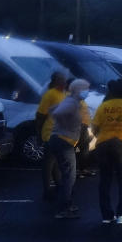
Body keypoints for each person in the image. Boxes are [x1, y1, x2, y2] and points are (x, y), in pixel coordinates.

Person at [93, 79, 122, 225]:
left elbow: (95, 128)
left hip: (102, 144)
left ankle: (107, 216)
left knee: (105, 180)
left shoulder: (103, 106)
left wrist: (103, 137)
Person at [47, 79, 91, 219]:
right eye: (85, 89)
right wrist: (67, 126)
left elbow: (52, 110)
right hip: (63, 141)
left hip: (60, 140)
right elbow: (57, 113)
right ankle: (64, 209)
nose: (87, 91)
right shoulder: (72, 102)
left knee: (66, 175)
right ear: (78, 90)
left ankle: (66, 204)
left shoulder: (71, 101)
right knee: (69, 177)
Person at [35, 71, 68, 201]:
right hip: (51, 133)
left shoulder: (63, 94)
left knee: (55, 162)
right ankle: (47, 190)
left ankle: (58, 185)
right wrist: (38, 133)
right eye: (62, 80)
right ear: (55, 81)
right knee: (48, 163)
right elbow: (40, 115)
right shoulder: (50, 94)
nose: (65, 82)